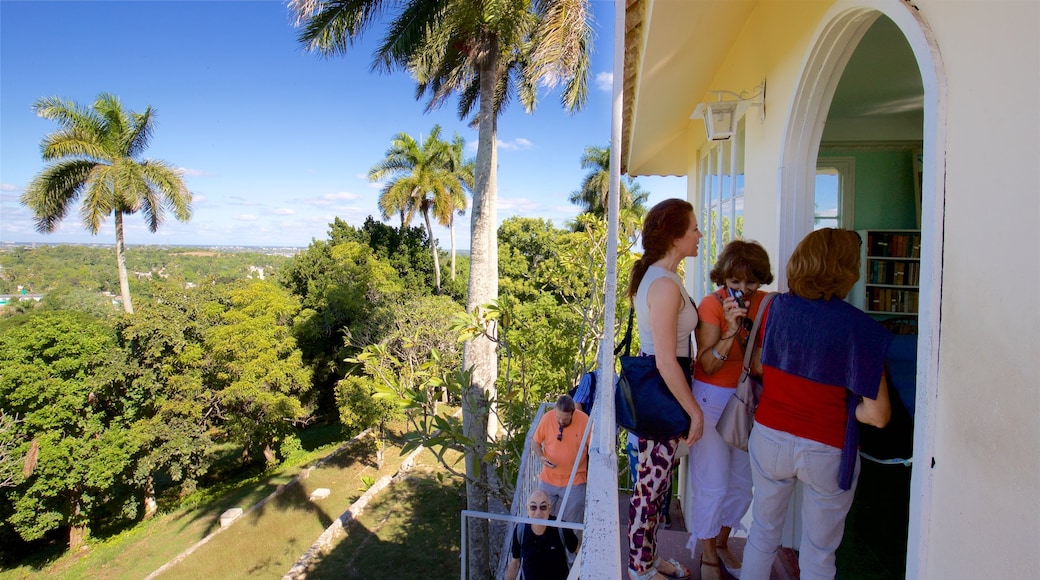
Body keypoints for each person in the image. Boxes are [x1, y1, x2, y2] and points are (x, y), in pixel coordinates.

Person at [741, 228, 892, 580]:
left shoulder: (775, 307)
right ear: (845, 269)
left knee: (762, 535)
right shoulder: (860, 328)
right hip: (826, 446)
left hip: (770, 436)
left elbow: (762, 366)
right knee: (819, 554)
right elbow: (878, 415)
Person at [685, 240, 774, 580]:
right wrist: (730, 331)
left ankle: (722, 541)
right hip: (712, 398)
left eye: (751, 282)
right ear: (723, 278)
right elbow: (705, 365)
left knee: (741, 481)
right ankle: (707, 554)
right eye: (735, 282)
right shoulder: (711, 304)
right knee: (712, 481)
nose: (743, 290)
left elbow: (764, 361)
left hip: (749, 399)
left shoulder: (767, 305)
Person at [626, 198, 704, 580]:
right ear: (675, 237)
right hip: (664, 392)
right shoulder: (664, 284)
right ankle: (640, 569)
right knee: (650, 489)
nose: (699, 235)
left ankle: (651, 559)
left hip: (662, 391)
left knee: (656, 486)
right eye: (693, 229)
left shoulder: (664, 278)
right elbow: (664, 359)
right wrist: (696, 411)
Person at [532, 394, 590, 526]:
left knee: (571, 526)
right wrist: (541, 457)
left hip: (575, 481)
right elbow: (535, 442)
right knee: (539, 521)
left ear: (573, 413)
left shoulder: (584, 421)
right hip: (548, 479)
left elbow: (593, 447)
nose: (560, 422)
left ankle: (568, 547)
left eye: (564, 419)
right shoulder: (547, 418)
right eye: (558, 418)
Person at [506, 488, 579, 580]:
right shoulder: (520, 530)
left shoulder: (562, 528)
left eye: (543, 507)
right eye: (533, 507)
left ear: (550, 508)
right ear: (527, 509)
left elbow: (580, 553)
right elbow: (515, 563)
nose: (538, 512)